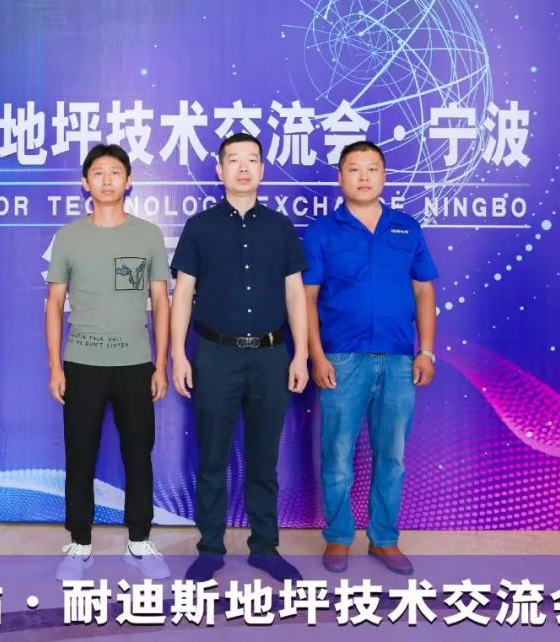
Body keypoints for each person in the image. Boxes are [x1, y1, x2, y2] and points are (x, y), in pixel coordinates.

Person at [170, 132, 309, 582]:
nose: (243, 168)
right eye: (234, 160)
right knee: (212, 457)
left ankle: (265, 547)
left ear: (263, 170)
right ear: (220, 169)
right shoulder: (200, 227)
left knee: (263, 459)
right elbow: (183, 293)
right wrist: (178, 354)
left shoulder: (280, 228)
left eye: (252, 160)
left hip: (271, 357)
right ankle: (210, 548)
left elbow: (295, 293)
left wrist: (301, 355)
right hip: (215, 355)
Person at [302, 140, 438, 575]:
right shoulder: (322, 232)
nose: (363, 177)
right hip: (342, 359)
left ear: (384, 176)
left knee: (392, 455)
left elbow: (424, 290)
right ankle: (339, 536)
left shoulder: (406, 228)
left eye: (372, 168)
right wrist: (316, 355)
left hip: (399, 360)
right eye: (354, 169)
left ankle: (384, 539)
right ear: (340, 177)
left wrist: (426, 350)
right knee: (338, 453)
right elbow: (307, 298)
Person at [46, 143, 171, 581]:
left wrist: (160, 364)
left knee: (139, 454)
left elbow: (161, 301)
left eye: (115, 172)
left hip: (136, 364)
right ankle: (80, 544)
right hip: (82, 363)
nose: (106, 180)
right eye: (97, 172)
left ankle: (139, 542)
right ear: (85, 183)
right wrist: (56, 367)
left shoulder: (148, 235)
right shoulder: (68, 237)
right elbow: (54, 303)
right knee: (80, 456)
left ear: (129, 180)